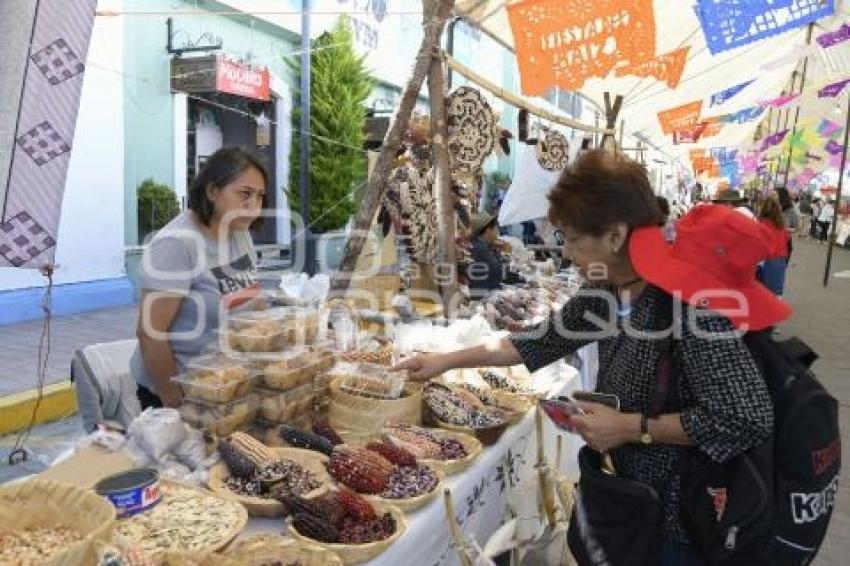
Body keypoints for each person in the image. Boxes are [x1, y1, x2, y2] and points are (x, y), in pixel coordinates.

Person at [398, 150, 790, 564]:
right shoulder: (606, 290)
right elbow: (538, 340)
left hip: (679, 523)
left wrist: (632, 427)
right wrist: (445, 361)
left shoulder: (688, 306)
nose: (565, 252)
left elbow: (746, 416)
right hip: (623, 502)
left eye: (570, 237)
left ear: (616, 235)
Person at [131, 147, 267, 408]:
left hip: (224, 382)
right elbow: (150, 333)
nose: (254, 206)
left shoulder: (239, 232)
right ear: (212, 191)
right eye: (245, 194)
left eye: (260, 196)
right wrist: (174, 401)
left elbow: (249, 301)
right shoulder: (178, 244)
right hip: (181, 391)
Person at [467, 212, 523, 294]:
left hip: (489, 288)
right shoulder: (480, 248)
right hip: (483, 293)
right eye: (496, 228)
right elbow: (500, 273)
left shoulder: (486, 244)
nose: (497, 231)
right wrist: (506, 253)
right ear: (488, 230)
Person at [757, 197, 791, 296]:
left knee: (761, 294)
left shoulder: (759, 223)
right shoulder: (781, 226)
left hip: (763, 261)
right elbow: (788, 242)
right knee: (776, 294)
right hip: (779, 260)